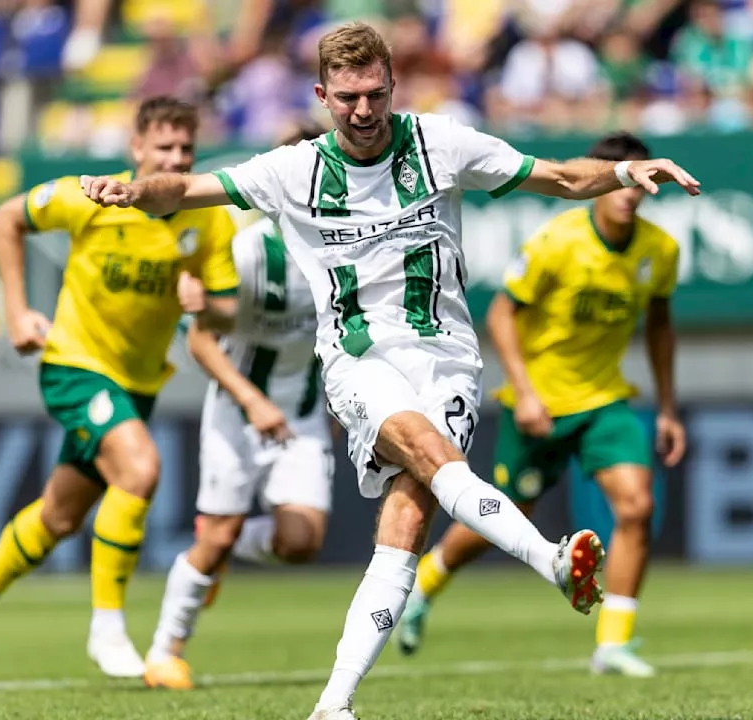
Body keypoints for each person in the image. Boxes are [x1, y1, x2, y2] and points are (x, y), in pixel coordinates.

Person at [80, 22, 700, 719]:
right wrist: (134, 193)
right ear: (322, 94)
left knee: (405, 523)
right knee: (429, 456)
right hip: (360, 359)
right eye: (347, 98)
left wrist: (622, 173)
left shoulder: (443, 143)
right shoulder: (293, 171)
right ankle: (550, 560)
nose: (364, 111)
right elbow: (190, 187)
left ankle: (333, 706)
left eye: (375, 94)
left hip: (450, 362)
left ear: (392, 85)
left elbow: (555, 176)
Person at [0, 96, 241, 680]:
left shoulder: (208, 215)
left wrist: (208, 307)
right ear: (136, 149)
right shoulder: (93, 195)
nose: (178, 158)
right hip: (74, 361)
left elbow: (229, 311)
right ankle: (107, 626)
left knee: (60, 515)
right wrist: (16, 313)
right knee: (140, 469)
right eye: (164, 147)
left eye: (186, 148)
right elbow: (7, 218)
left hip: (137, 381)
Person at [397, 131, 686, 677]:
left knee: (637, 507)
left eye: (637, 178)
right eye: (616, 176)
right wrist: (524, 392)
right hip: (542, 405)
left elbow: (661, 327)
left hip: (604, 400)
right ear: (600, 181)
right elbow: (503, 313)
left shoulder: (659, 251)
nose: (628, 191)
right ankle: (426, 585)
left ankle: (613, 644)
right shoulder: (558, 241)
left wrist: (668, 407)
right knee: (504, 517)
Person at [143, 123, 337, 690]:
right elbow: (203, 337)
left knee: (300, 544)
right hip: (237, 406)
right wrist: (252, 399)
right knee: (218, 536)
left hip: (299, 414)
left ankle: (218, 549)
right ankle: (164, 652)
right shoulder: (249, 248)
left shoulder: (350, 247)